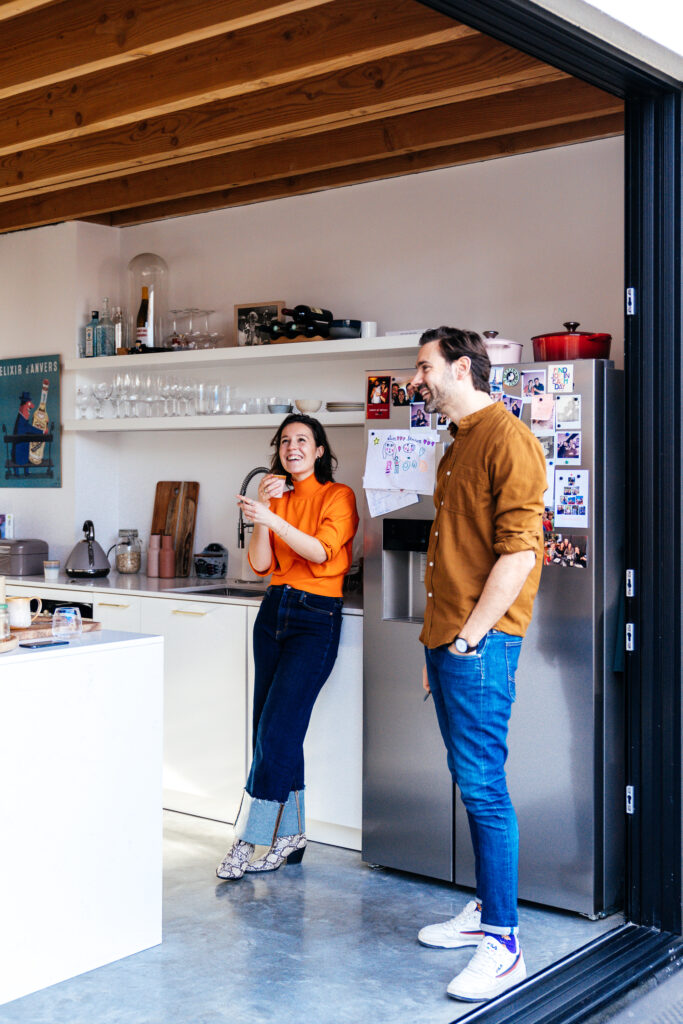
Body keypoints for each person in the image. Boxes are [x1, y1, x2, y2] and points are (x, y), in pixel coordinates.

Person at [410, 327, 546, 1003]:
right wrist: (444, 640)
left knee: (484, 788)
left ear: (462, 367)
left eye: (425, 366)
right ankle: (483, 913)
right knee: (470, 780)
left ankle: (504, 941)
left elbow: (519, 554)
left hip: (480, 643)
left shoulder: (508, 439)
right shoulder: (457, 441)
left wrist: (467, 639)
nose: (417, 379)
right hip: (449, 639)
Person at [216, 414, 359, 880]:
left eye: (302, 440)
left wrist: (272, 517)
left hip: (315, 619)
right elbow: (260, 564)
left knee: (277, 732)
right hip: (273, 611)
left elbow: (320, 552)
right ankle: (292, 836)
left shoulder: (338, 496)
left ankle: (249, 837)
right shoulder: (276, 497)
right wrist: (262, 516)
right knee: (272, 730)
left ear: (320, 451)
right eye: (284, 441)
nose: (291, 447)